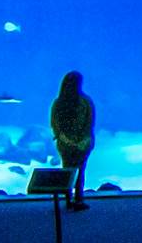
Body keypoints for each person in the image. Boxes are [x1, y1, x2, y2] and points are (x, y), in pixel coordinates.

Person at [50, 71, 95, 210]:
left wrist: (67, 141)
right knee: (79, 172)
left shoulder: (58, 103)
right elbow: (89, 123)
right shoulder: (86, 101)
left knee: (67, 171)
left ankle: (69, 199)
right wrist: (82, 141)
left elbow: (55, 125)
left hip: (65, 144)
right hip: (82, 143)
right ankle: (78, 199)